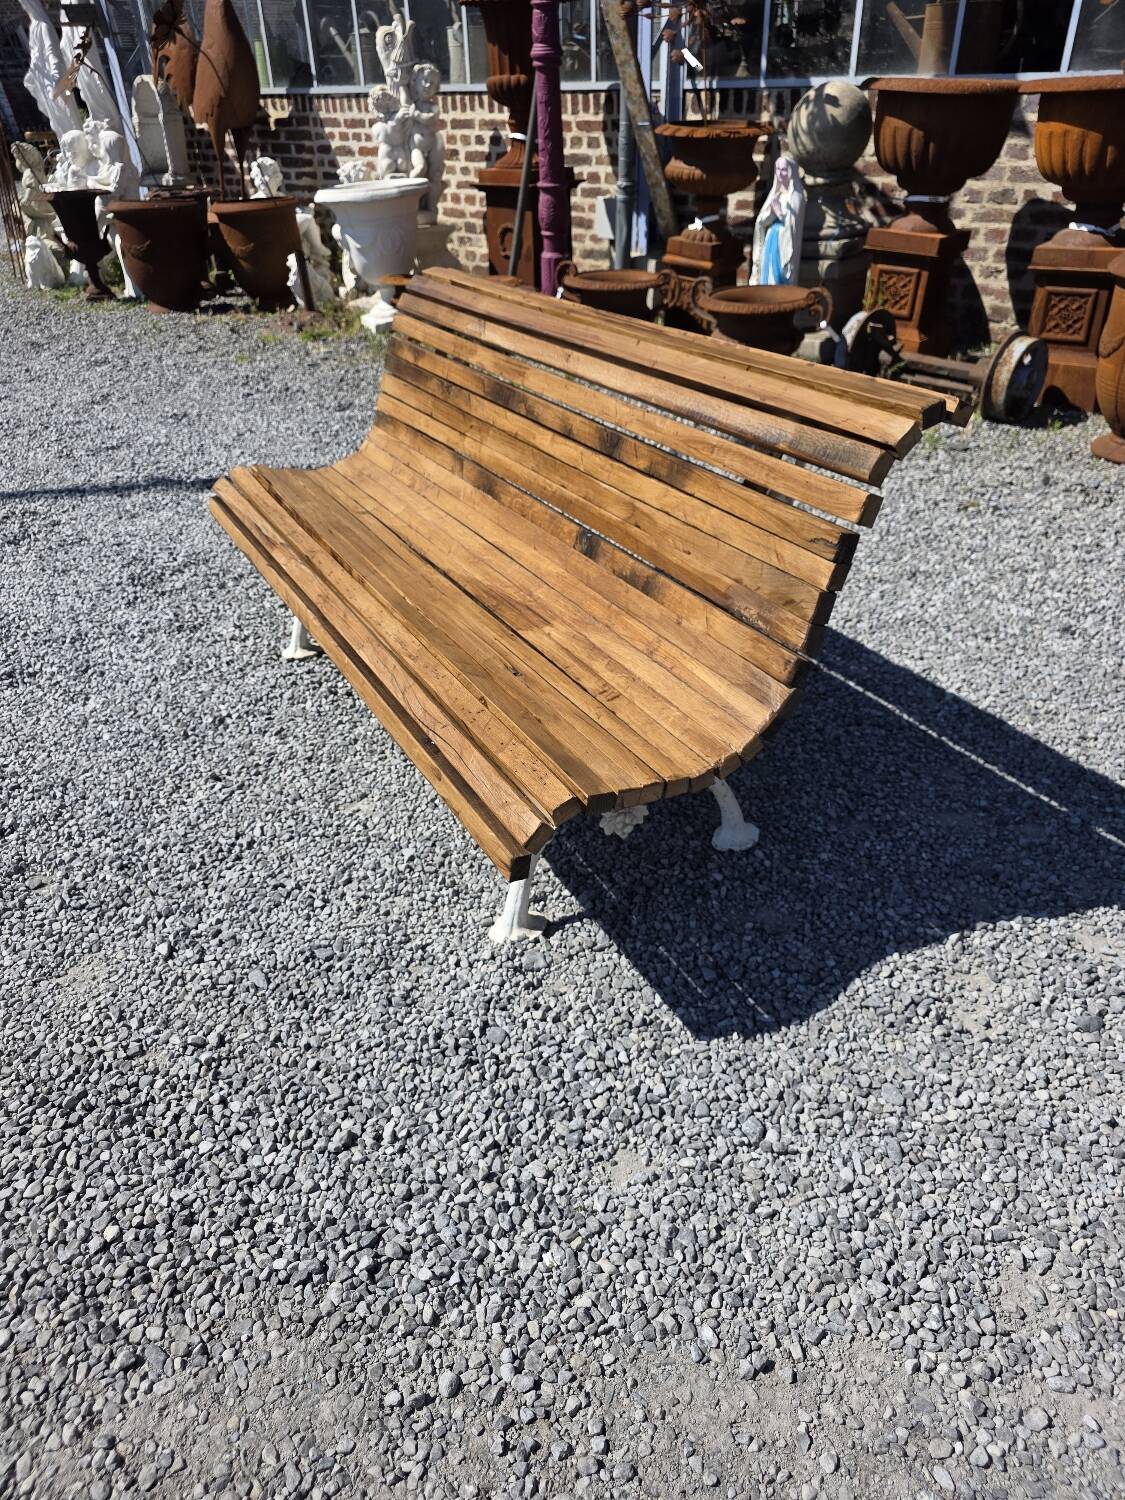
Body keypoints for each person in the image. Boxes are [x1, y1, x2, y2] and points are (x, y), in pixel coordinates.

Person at [750, 153, 806, 287]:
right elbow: (761, 222)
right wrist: (771, 213)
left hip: (784, 244)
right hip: (771, 241)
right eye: (778, 169)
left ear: (791, 172)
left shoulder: (796, 197)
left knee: (780, 278)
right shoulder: (775, 194)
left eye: (784, 170)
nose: (780, 173)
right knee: (768, 275)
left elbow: (793, 227)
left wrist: (780, 213)